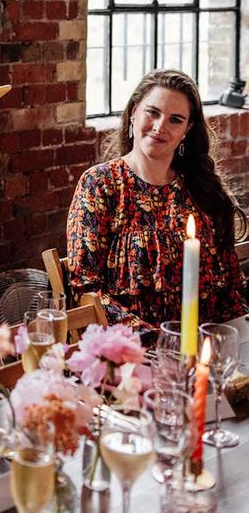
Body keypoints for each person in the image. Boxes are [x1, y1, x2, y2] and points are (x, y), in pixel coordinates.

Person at [67, 68, 246, 338]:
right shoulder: (100, 184)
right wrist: (159, 341)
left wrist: (230, 342)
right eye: (153, 112)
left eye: (175, 119)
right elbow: (85, 291)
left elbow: (230, 290)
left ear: (188, 129)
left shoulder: (203, 191)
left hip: (210, 348)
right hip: (131, 355)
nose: (160, 126)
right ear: (134, 112)